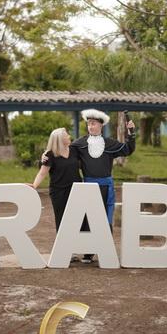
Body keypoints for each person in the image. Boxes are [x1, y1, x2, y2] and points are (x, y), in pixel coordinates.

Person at [71, 109, 136, 263]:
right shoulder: (79, 143)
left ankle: (105, 251)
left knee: (106, 218)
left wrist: (131, 133)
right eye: (88, 124)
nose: (90, 126)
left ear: (101, 125)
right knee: (88, 218)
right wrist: (46, 155)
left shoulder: (110, 143)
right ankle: (88, 253)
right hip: (88, 187)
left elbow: (127, 149)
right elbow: (65, 153)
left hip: (106, 187)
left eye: (93, 123)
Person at [31, 127, 82, 235]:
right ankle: (64, 243)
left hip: (76, 190)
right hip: (59, 192)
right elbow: (42, 173)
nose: (69, 136)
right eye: (66, 135)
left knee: (79, 218)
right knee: (62, 219)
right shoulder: (50, 155)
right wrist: (34, 186)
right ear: (60, 139)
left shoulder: (74, 150)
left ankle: (81, 242)